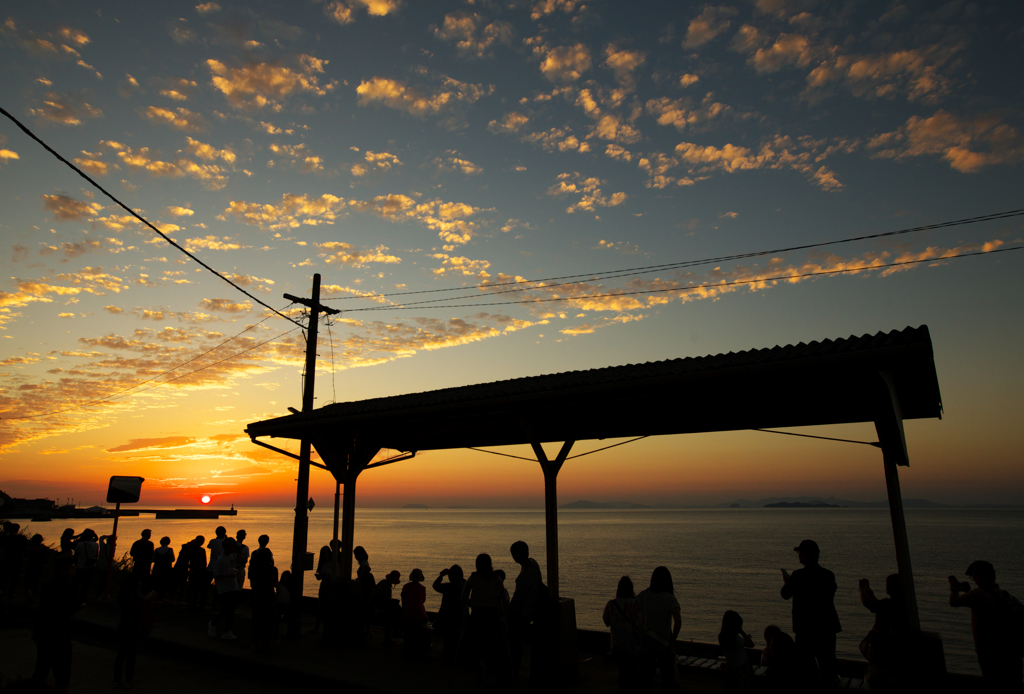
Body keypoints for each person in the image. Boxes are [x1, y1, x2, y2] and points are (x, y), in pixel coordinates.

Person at [949, 560, 1024, 688]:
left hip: (990, 651)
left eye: (973, 577)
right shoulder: (1005, 595)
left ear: (978, 576)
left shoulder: (977, 595)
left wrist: (954, 588)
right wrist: (967, 591)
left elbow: (954, 602)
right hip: (1013, 651)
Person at [780, 539, 841, 687]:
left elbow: (785, 594)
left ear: (805, 556)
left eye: (800, 553)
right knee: (828, 665)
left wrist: (788, 583)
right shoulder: (828, 575)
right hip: (826, 627)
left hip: (805, 629)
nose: (799, 556)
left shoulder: (798, 575)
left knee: (805, 669)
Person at [32, 555, 80, 694]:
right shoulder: (65, 587)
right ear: (62, 571)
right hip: (58, 635)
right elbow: (71, 606)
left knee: (42, 668)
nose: (74, 570)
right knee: (62, 672)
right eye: (71, 568)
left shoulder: (48, 586)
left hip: (44, 633)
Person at [858, 574, 910, 688]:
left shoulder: (890, 604)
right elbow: (879, 607)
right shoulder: (902, 604)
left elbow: (870, 604)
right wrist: (870, 594)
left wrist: (862, 590)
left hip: (884, 650)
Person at [462, 553, 510, 674]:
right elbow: (503, 599)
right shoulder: (496, 578)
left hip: (477, 614)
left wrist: (471, 603)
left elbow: (463, 598)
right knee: (492, 641)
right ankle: (492, 665)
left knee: (477, 642)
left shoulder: (473, 578)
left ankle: (482, 665)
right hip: (492, 614)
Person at [636, 566, 681, 694]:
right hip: (664, 646)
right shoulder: (670, 599)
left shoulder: (643, 596)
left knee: (644, 682)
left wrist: (638, 633)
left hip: (646, 645)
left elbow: (632, 614)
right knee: (668, 681)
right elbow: (678, 621)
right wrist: (673, 639)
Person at [509, 540, 544, 677]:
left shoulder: (524, 576)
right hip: (532, 609)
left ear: (516, 555)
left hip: (524, 612)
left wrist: (509, 612)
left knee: (515, 641)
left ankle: (513, 668)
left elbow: (517, 600)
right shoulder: (533, 563)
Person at [603, 576, 640, 693]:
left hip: (616, 647)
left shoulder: (611, 604)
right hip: (633, 648)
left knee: (624, 675)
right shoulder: (636, 605)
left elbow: (606, 622)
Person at [433, 564, 467, 662]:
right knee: (457, 639)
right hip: (460, 617)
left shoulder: (448, 587)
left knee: (447, 640)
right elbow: (464, 580)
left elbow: (435, 585)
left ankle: (447, 656)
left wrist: (441, 576)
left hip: (446, 618)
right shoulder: (463, 586)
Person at [718, 610, 755, 693]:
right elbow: (751, 644)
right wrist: (742, 632)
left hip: (730, 669)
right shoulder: (737, 640)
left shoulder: (721, 637)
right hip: (742, 669)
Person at [209, 536, 238, 640]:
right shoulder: (220, 560)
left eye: (233, 547)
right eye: (230, 547)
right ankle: (214, 622)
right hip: (223, 588)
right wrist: (226, 576)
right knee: (226, 609)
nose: (232, 549)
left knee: (231, 610)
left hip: (233, 586)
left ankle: (227, 631)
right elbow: (216, 574)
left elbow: (235, 567)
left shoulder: (233, 556)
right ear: (225, 547)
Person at [402, 568, 428, 657]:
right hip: (419, 616)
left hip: (407, 615)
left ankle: (408, 649)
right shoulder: (422, 588)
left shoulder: (405, 586)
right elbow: (422, 601)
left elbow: (403, 600)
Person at [373, 570, 403, 646]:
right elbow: (386, 601)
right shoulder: (387, 587)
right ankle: (395, 631)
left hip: (374, 605)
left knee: (392, 613)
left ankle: (395, 631)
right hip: (376, 608)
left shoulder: (383, 582)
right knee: (390, 616)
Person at [72, 529, 98, 602]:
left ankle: (74, 598)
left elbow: (76, 555)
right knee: (86, 584)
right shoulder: (96, 545)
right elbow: (96, 555)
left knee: (77, 583)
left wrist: (75, 564)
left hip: (80, 566)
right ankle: (82, 599)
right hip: (91, 567)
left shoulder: (79, 544)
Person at [186, 535, 207, 610]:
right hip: (199, 571)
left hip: (192, 570)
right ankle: (194, 604)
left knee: (191, 588)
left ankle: (190, 604)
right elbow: (204, 562)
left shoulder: (191, 549)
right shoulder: (201, 550)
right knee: (196, 589)